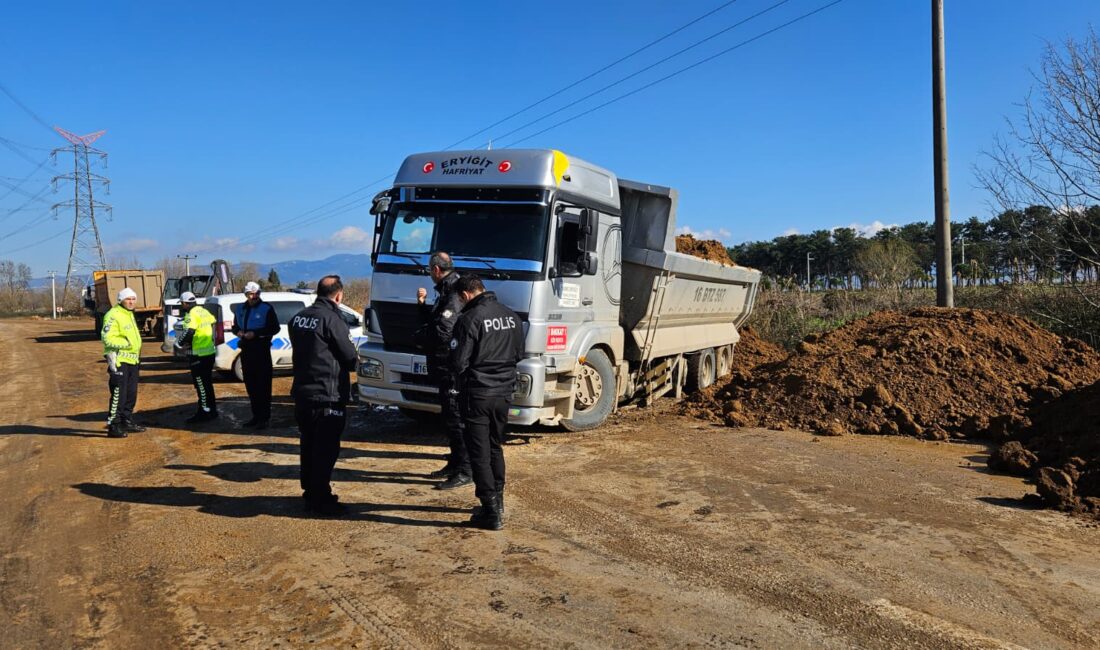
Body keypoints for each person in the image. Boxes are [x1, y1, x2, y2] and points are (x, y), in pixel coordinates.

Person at [449, 275, 524, 530]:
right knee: (495, 446)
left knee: (478, 452)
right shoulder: (511, 315)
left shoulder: (469, 319)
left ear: (465, 295)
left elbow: (458, 362)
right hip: (504, 393)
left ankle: (490, 511)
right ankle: (498, 501)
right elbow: (519, 353)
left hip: (478, 393)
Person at [289, 275, 358, 516]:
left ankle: (310, 491)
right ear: (338, 295)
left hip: (303, 393)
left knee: (308, 445)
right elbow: (350, 359)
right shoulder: (332, 319)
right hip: (327, 395)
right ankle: (320, 499)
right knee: (325, 450)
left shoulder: (298, 318)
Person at [415, 251, 471, 489]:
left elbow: (444, 329)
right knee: (449, 416)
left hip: (450, 364)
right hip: (443, 364)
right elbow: (437, 320)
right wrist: (421, 307)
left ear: (436, 270)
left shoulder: (454, 292)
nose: (430, 274)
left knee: (456, 416)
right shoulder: (445, 291)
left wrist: (424, 339)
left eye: (430, 270)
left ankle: (466, 469)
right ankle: (455, 461)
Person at [232, 281, 280, 429]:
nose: (254, 296)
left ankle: (264, 418)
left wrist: (257, 334)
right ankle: (255, 416)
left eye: (256, 293)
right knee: (251, 385)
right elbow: (235, 326)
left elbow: (275, 328)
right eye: (251, 294)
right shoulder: (240, 308)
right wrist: (238, 332)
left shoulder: (267, 308)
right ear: (246, 294)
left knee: (263, 386)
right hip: (246, 350)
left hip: (261, 350)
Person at [101, 287, 145, 438]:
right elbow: (107, 337)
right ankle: (114, 425)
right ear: (121, 300)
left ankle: (127, 420)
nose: (131, 301)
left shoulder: (129, 314)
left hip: (132, 360)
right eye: (128, 299)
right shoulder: (113, 315)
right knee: (119, 394)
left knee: (131, 394)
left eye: (133, 299)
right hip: (119, 360)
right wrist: (126, 343)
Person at [175, 291, 218, 424]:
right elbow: (213, 322)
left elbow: (189, 331)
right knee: (207, 384)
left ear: (185, 303)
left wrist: (179, 343)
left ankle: (204, 412)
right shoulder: (203, 311)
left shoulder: (191, 314)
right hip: (209, 353)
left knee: (200, 385)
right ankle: (212, 410)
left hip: (198, 355)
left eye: (182, 304)